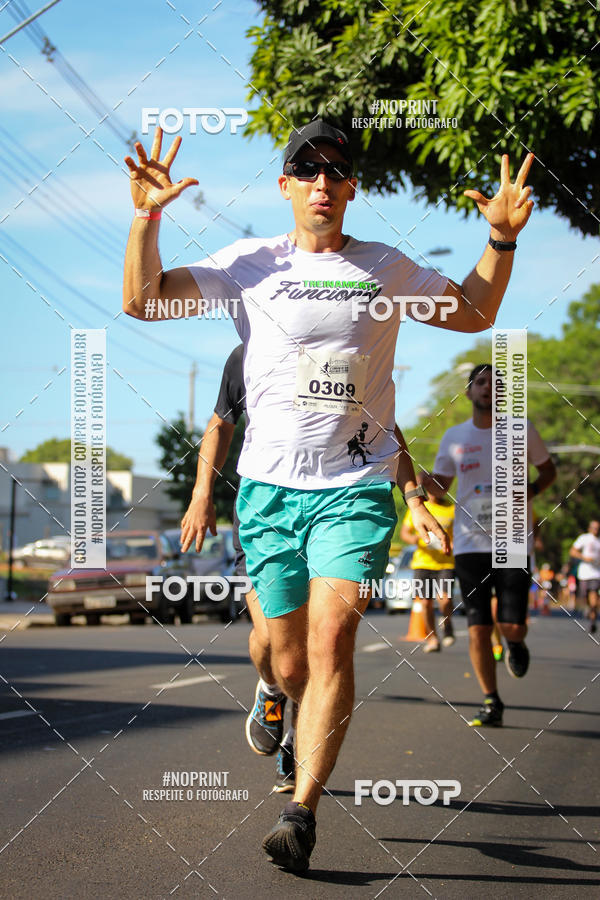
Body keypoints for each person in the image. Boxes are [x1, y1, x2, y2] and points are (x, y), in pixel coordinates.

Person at [123, 119, 534, 871]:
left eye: (335, 172)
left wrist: (500, 242)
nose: (321, 183)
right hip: (269, 492)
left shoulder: (384, 267)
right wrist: (147, 218)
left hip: (356, 483)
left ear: (352, 189)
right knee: (287, 662)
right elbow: (145, 301)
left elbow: (475, 312)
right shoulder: (249, 264)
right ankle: (275, 697)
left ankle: (301, 811)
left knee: (332, 640)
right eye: (306, 170)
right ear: (285, 187)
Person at [180, 343, 298, 793]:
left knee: (311, 645)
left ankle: (294, 744)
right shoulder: (248, 352)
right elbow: (221, 423)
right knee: (271, 636)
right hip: (264, 507)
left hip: (330, 505)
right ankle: (270, 689)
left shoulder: (346, 337)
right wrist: (201, 493)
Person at [421, 364, 556, 728]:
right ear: (469, 392)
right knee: (479, 626)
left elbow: (548, 471)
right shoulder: (454, 437)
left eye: (496, 383)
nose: (487, 388)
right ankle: (490, 700)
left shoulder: (522, 430)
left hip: (513, 540)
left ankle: (515, 642)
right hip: (468, 544)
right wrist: (422, 481)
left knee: (512, 625)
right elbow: (441, 488)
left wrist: (529, 492)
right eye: (480, 382)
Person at [400, 493, 456, 652]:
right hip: (422, 563)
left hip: (445, 562)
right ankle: (432, 638)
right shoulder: (417, 507)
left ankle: (448, 625)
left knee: (444, 599)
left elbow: (459, 534)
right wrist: (418, 539)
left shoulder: (451, 509)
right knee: (425, 602)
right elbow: (405, 533)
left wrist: (452, 544)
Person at [569, 520, 600, 633]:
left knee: (594, 595)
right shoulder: (584, 538)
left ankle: (592, 620)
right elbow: (572, 551)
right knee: (585, 596)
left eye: (598, 528)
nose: (596, 530)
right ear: (589, 528)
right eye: (594, 528)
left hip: (596, 574)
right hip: (584, 573)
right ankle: (590, 609)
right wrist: (584, 557)